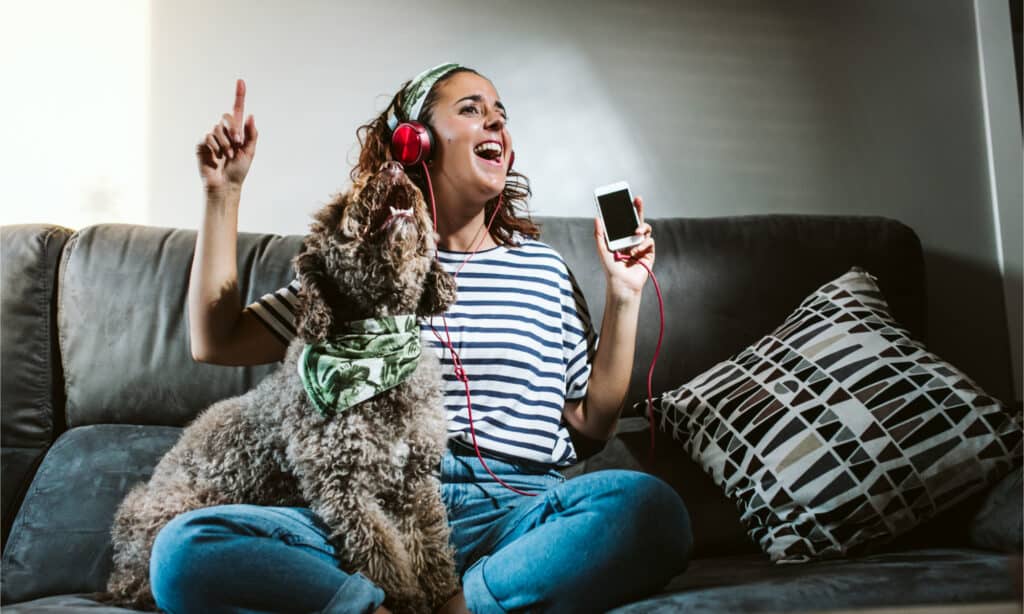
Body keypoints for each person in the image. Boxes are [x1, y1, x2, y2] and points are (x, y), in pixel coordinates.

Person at [151, 64, 693, 614]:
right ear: (415, 142)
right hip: (374, 513)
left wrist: (623, 295)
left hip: (513, 513)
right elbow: (215, 341)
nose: (496, 126)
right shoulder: (358, 260)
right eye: (472, 110)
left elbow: (592, 421)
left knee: (648, 507)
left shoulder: (544, 271)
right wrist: (223, 193)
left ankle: (461, 607)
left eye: (501, 116)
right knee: (183, 549)